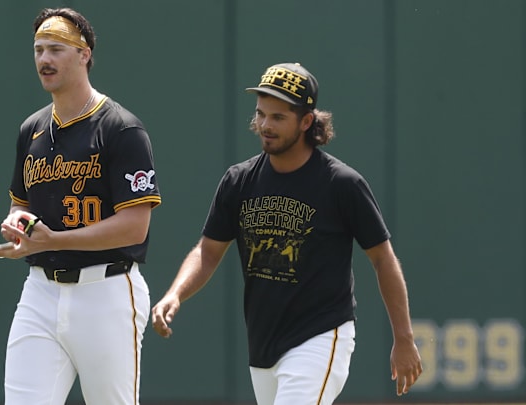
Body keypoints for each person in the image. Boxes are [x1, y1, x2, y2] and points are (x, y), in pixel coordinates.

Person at [151, 62, 422, 404]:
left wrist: (404, 338)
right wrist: (176, 294)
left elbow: (383, 259)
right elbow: (207, 251)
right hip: (264, 344)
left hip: (321, 336)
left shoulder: (341, 184)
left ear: (307, 122)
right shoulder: (239, 181)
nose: (265, 125)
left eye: (278, 117)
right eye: (261, 114)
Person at [0, 7, 161, 405]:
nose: (44, 60)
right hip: (41, 292)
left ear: (84, 55)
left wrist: (53, 240)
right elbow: (19, 205)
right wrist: (18, 225)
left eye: (56, 49)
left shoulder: (121, 129)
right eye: (38, 50)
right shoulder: (31, 129)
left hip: (107, 290)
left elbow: (136, 226)